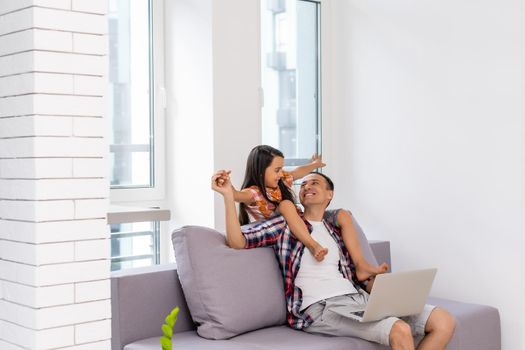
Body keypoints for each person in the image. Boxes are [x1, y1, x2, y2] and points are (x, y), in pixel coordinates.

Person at [211, 171, 456, 350]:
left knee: (443, 321)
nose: (307, 186)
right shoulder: (287, 224)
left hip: (357, 299)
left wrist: (383, 289)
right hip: (319, 308)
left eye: (315, 182)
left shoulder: (335, 229)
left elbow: (353, 275)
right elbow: (237, 241)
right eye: (303, 184)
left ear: (330, 194)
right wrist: (226, 197)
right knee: (398, 329)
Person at [216, 144, 387, 279]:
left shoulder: (279, 182)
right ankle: (313, 245)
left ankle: (361, 264)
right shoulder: (253, 193)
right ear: (261, 171)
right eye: (276, 170)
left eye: (281, 169)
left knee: (343, 214)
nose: (280, 174)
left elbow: (297, 173)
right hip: (284, 222)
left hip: (300, 219)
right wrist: (228, 190)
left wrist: (314, 165)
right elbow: (237, 196)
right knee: (286, 205)